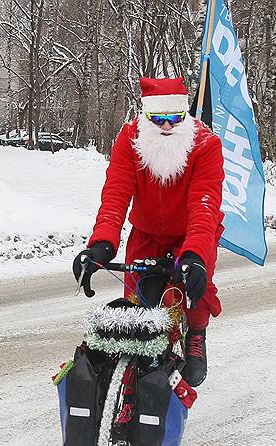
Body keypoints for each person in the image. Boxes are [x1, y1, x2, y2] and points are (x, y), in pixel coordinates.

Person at [72, 77, 224, 387]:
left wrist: (194, 254)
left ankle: (196, 332)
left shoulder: (206, 145)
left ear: (185, 117)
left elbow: (204, 205)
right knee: (137, 305)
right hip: (147, 234)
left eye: (174, 119)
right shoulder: (130, 139)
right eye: (158, 119)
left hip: (191, 234)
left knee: (198, 284)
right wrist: (101, 245)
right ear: (146, 116)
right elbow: (115, 195)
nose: (166, 127)